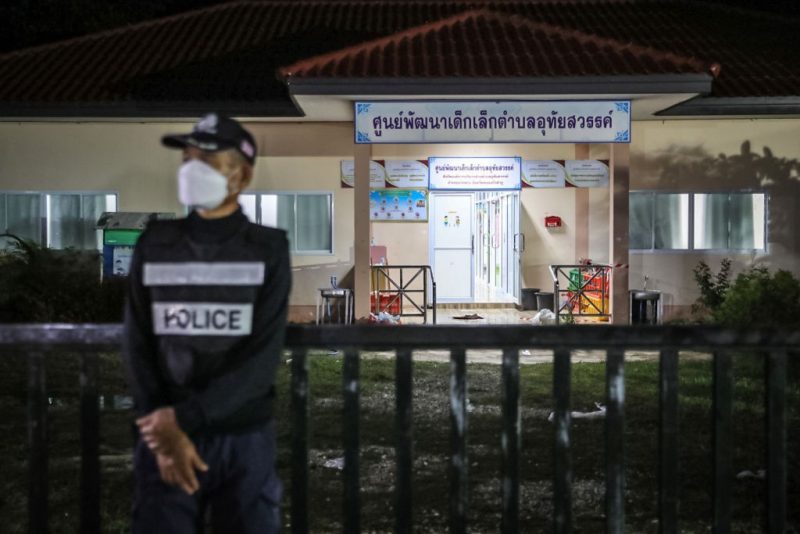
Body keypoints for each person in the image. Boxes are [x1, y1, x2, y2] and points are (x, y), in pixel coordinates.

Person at [123, 113, 291, 533]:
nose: (191, 168)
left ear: (242, 175)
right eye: (187, 158)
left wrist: (180, 421)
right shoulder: (155, 243)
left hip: (242, 436)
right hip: (163, 435)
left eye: (208, 160)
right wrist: (159, 429)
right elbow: (137, 341)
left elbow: (261, 358)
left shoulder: (268, 248)